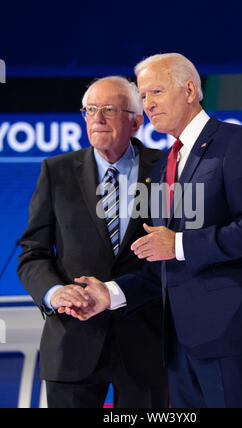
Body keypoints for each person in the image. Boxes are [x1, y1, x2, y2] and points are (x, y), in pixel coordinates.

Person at [62, 53, 242, 408]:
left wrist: (179, 243)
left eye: (156, 92)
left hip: (229, 339)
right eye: (144, 96)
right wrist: (111, 294)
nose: (147, 104)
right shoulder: (166, 162)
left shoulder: (234, 142)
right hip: (178, 348)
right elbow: (161, 264)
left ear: (190, 89)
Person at [17, 76, 169, 408]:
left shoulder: (167, 170)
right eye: (89, 110)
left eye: (108, 110)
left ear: (135, 121)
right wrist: (55, 292)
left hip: (147, 345)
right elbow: (33, 254)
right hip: (72, 342)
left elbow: (185, 247)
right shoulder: (57, 171)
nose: (96, 119)